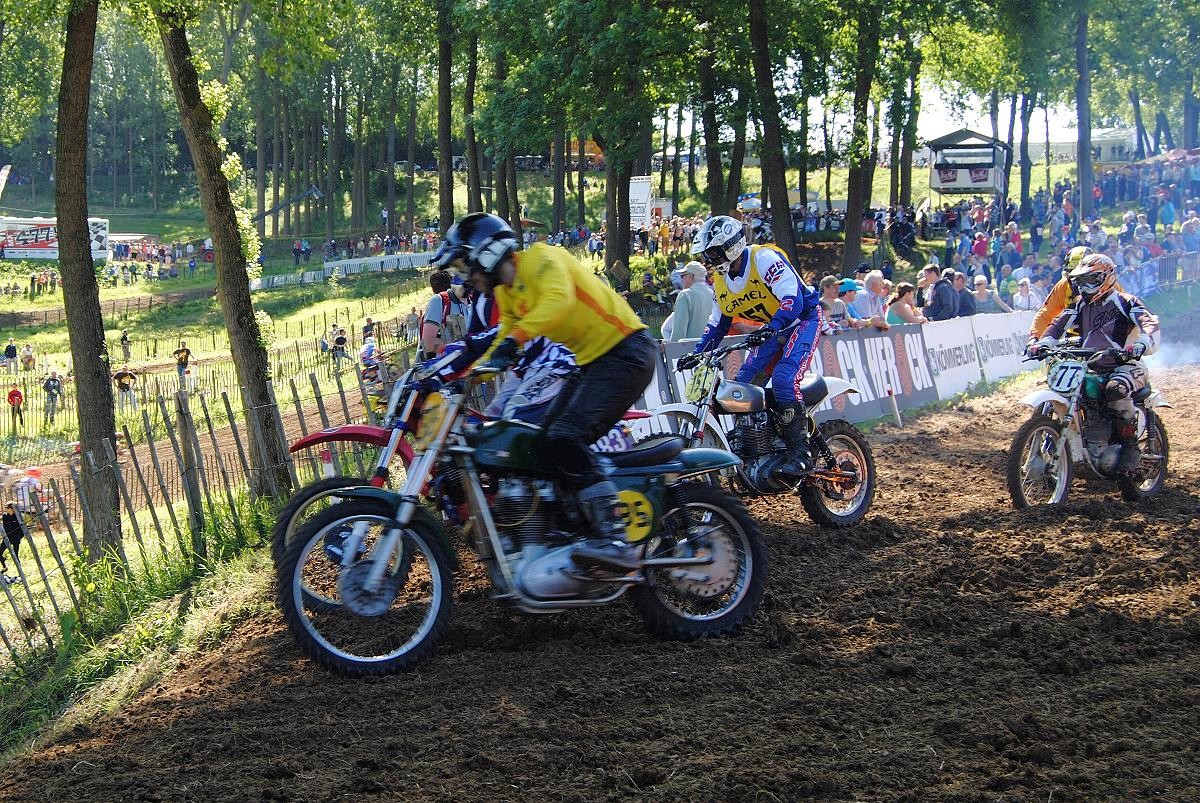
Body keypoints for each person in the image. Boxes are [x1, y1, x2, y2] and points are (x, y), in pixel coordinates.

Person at [440, 212, 656, 572]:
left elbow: (558, 302)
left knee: (566, 436)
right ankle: (571, 528)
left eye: (466, 265)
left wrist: (514, 340)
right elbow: (504, 336)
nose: (466, 277)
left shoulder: (543, 258)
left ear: (487, 253)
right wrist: (469, 378)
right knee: (540, 441)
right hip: (592, 362)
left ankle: (615, 539)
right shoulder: (507, 292)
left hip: (626, 351)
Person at [679, 214, 822, 478]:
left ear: (731, 246)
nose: (709, 260)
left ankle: (801, 454)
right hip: (772, 327)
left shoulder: (764, 259)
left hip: (802, 320)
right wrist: (697, 354)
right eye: (707, 255)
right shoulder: (720, 280)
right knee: (741, 384)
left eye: (713, 253)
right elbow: (718, 324)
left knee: (784, 379)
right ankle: (758, 445)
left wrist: (771, 327)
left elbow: (793, 300)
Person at [1032, 254, 1159, 472]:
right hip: (1090, 365)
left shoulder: (1126, 301)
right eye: (1081, 281)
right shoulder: (1080, 305)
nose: (1085, 286)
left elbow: (1149, 323)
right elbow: (1057, 324)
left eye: (1091, 280)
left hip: (1126, 365)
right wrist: (1042, 342)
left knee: (1115, 389)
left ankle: (1130, 447)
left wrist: (1143, 343)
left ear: (1107, 277)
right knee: (1070, 390)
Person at [420, 271, 471, 360]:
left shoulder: (474, 301)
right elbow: (429, 343)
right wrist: (456, 350)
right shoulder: (438, 301)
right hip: (449, 364)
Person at [667, 262, 713, 342]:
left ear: (691, 276)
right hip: (710, 345)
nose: (681, 280)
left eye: (682, 276)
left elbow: (679, 330)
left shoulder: (685, 294)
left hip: (691, 347)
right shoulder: (712, 293)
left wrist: (673, 347)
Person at [0, 502, 23, 575]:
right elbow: (5, 527)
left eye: (7, 508)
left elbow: (22, 530)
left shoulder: (18, 517)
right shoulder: (5, 516)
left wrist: (19, 538)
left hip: (16, 538)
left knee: (15, 555)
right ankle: (4, 567)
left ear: (12, 509)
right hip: (7, 538)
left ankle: (20, 572)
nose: (6, 509)